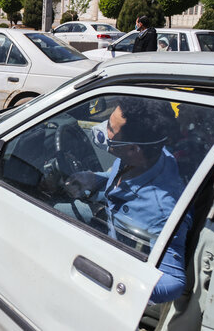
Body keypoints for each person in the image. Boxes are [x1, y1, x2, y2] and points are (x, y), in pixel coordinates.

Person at [65, 98, 190, 304]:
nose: (105, 130)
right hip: (109, 228)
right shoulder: (147, 156)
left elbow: (174, 282)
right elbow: (120, 182)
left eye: (111, 129)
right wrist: (93, 179)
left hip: (113, 264)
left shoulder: (161, 211)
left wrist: (120, 283)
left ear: (133, 149)